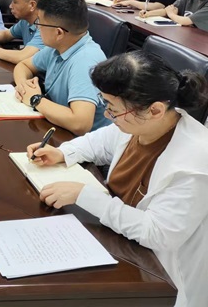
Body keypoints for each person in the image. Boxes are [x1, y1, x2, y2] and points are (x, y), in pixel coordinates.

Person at [28, 51, 208, 307]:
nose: (108, 116)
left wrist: (84, 195)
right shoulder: (141, 123)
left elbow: (158, 234)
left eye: (113, 109)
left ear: (155, 110)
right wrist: (63, 152)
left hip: (159, 276)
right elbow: (100, 141)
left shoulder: (195, 161)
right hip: (120, 241)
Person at [14, 0, 110, 135]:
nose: (38, 28)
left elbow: (81, 124)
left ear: (59, 33)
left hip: (83, 142)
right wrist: (24, 87)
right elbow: (23, 65)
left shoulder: (85, 61)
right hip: (59, 128)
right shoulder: (59, 46)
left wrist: (35, 99)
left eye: (40, 23)